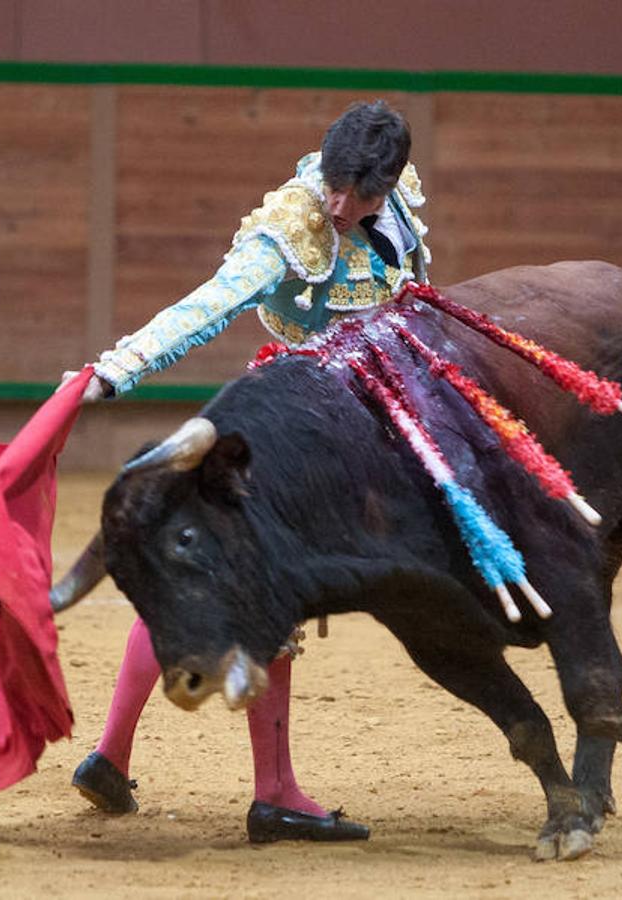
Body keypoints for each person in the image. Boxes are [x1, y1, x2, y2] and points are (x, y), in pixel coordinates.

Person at [64, 100, 429, 843]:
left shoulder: (398, 212)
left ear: (387, 186)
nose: (336, 204)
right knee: (276, 593)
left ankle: (110, 753)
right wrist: (116, 369)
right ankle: (276, 793)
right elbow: (208, 305)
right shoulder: (290, 226)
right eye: (331, 185)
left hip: (362, 423)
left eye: (355, 195)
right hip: (289, 430)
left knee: (216, 574)